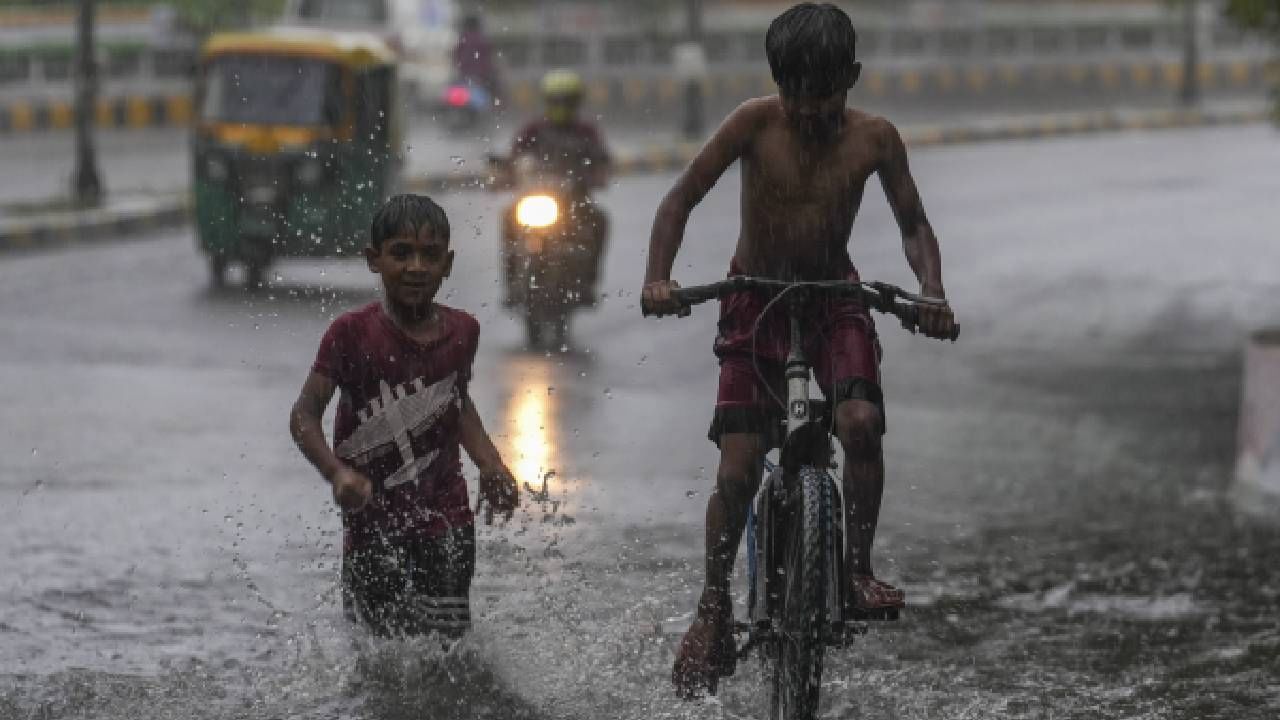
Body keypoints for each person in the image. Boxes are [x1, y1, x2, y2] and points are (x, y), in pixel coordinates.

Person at [640, 3, 957, 697]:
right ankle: (714, 607)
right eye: (796, 95)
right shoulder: (754, 122)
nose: (810, 111)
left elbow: (914, 224)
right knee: (739, 467)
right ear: (776, 83)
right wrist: (658, 277)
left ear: (852, 78)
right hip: (754, 298)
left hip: (833, 298)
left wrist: (930, 289)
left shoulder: (875, 138)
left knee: (861, 424)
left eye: (826, 95)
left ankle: (856, 568)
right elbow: (680, 199)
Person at [289, 194, 519, 638]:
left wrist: (491, 463)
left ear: (447, 264)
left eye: (430, 256)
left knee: (448, 646)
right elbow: (303, 416)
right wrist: (336, 474)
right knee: (379, 653)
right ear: (374, 260)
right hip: (370, 522)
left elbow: (456, 401)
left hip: (446, 517)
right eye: (401, 254)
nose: (416, 267)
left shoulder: (463, 331)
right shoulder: (351, 334)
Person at [501, 69, 611, 306]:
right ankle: (510, 282)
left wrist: (597, 175)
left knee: (600, 221)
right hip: (536, 197)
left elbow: (602, 161)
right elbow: (514, 158)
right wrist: (504, 172)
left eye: (566, 100)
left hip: (575, 202)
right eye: (556, 100)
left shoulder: (586, 133)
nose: (561, 105)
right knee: (508, 217)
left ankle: (589, 281)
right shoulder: (533, 131)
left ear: (576, 102)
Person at [452, 12, 501, 99]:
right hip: (481, 77)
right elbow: (489, 60)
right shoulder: (482, 39)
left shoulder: (462, 39)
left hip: (465, 76)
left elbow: (456, 57)